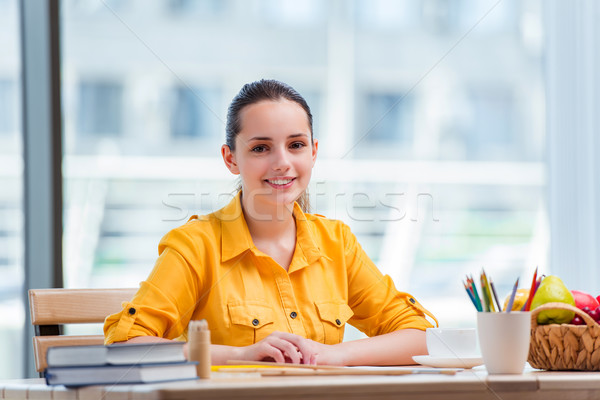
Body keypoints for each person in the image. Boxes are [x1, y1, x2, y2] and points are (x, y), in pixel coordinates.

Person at [104, 79, 437, 366]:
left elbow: (420, 336)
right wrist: (241, 356)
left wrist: (331, 355)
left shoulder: (337, 242)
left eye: (296, 145)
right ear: (231, 158)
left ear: (314, 152)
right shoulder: (195, 246)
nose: (282, 163)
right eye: (261, 148)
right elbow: (124, 348)